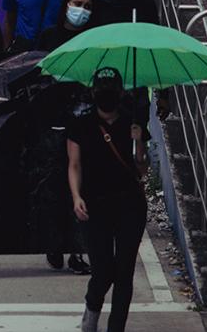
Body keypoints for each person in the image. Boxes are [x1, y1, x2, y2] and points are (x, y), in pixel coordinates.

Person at [68, 68, 148, 332]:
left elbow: (141, 170)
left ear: (120, 93)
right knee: (102, 270)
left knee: (124, 272)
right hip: (95, 205)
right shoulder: (81, 125)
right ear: (93, 93)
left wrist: (138, 144)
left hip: (129, 205)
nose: (106, 96)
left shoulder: (132, 123)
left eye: (110, 91)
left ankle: (117, 327)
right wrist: (77, 196)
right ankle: (91, 312)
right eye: (102, 91)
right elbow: (75, 165)